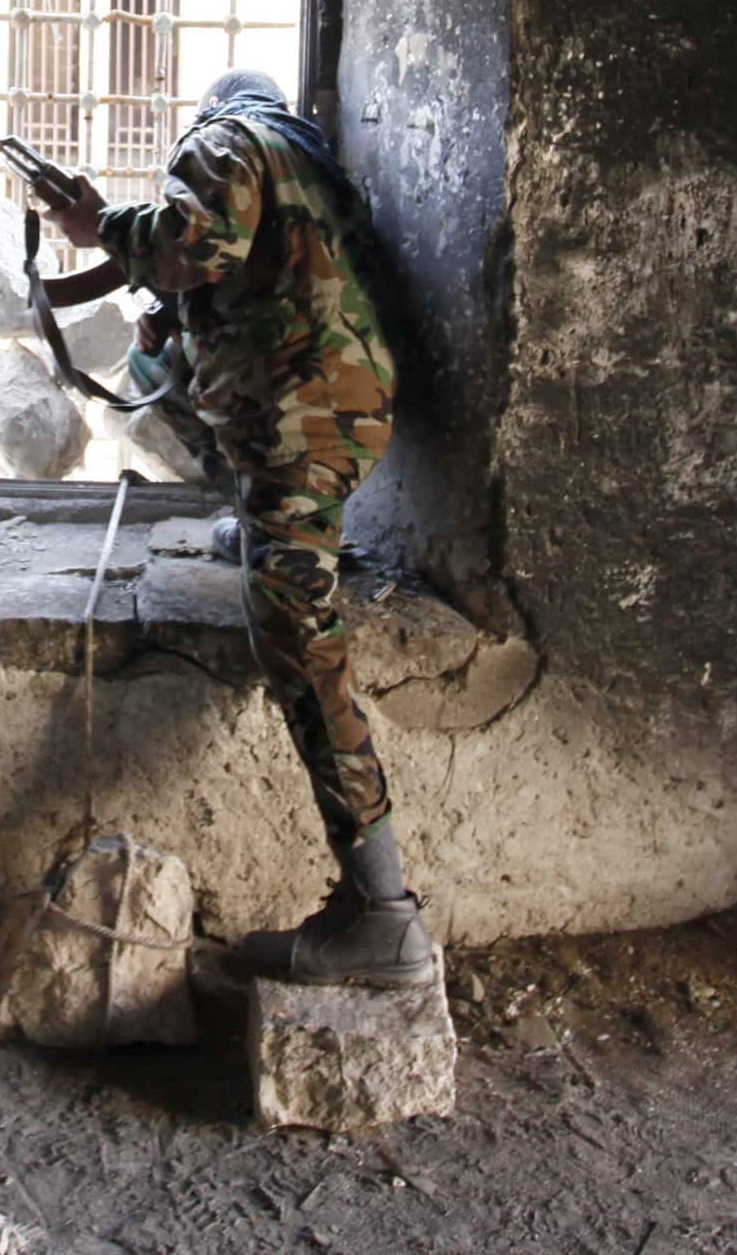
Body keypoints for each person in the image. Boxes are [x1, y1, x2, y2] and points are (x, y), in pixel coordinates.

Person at [36, 69, 437, 988]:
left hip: (298, 420)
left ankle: (384, 913)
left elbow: (195, 238)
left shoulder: (226, 138)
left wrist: (101, 224)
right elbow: (246, 278)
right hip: (330, 413)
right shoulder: (313, 164)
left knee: (294, 633)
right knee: (194, 421)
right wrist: (164, 324)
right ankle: (253, 524)